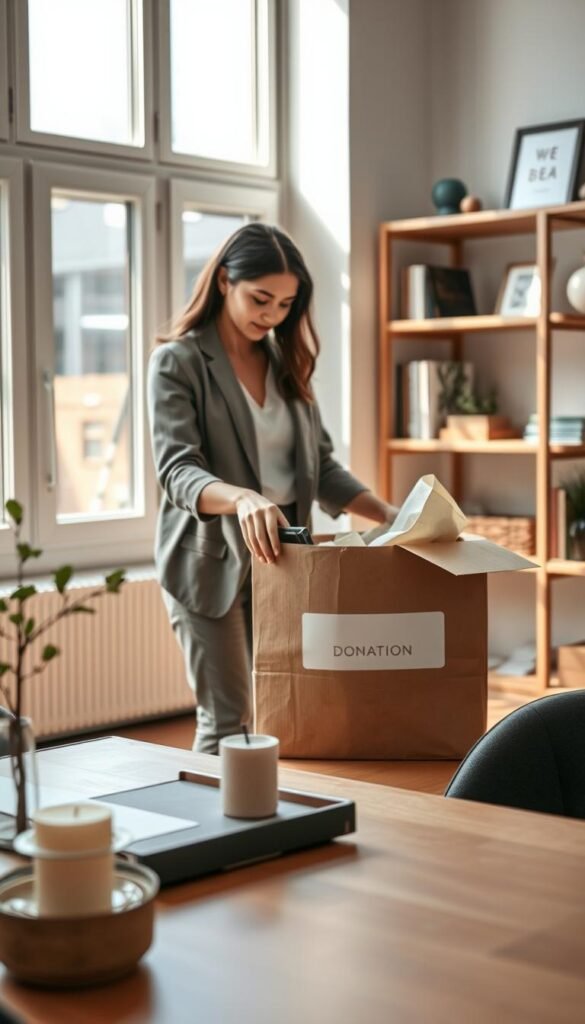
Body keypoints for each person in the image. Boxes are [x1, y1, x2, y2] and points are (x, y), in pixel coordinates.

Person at [147, 222, 397, 754]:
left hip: (281, 561)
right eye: (261, 299)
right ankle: (217, 836)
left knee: (291, 713)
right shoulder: (178, 362)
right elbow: (176, 471)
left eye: (286, 304)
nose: (273, 315)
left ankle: (275, 822)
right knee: (228, 725)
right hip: (208, 563)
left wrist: (389, 514)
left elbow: (320, 466)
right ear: (222, 282)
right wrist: (240, 497)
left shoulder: (287, 362)